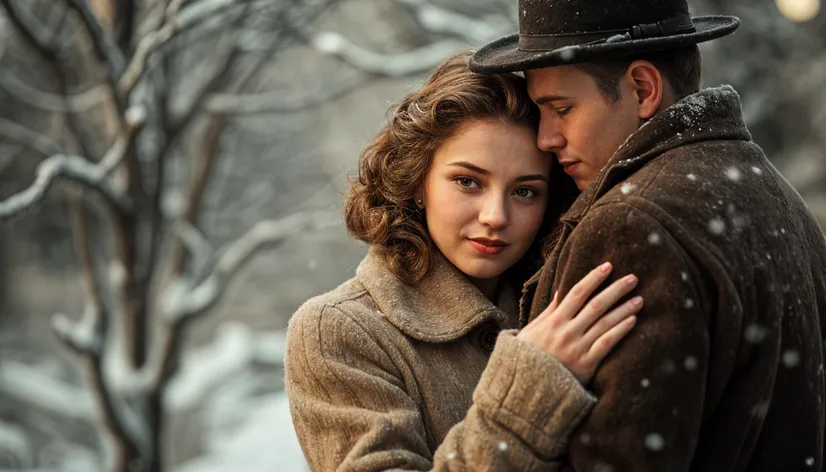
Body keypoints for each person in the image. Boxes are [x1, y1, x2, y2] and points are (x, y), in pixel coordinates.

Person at [469, 0, 826, 470]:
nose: (546, 138)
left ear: (642, 88)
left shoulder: (632, 224)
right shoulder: (772, 190)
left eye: (562, 108)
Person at [284, 51, 645, 470]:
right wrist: (531, 386)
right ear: (417, 180)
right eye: (468, 182)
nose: (495, 216)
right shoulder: (337, 331)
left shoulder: (563, 297)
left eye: (525, 191)